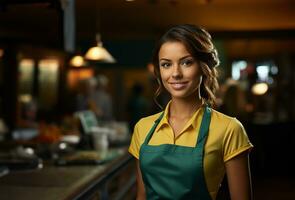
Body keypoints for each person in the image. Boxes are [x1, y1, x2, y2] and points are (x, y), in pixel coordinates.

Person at [128, 24, 253, 200]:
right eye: (166, 64)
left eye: (187, 62)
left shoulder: (229, 129)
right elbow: (142, 196)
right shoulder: (143, 128)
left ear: (203, 66)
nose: (176, 73)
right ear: (158, 70)